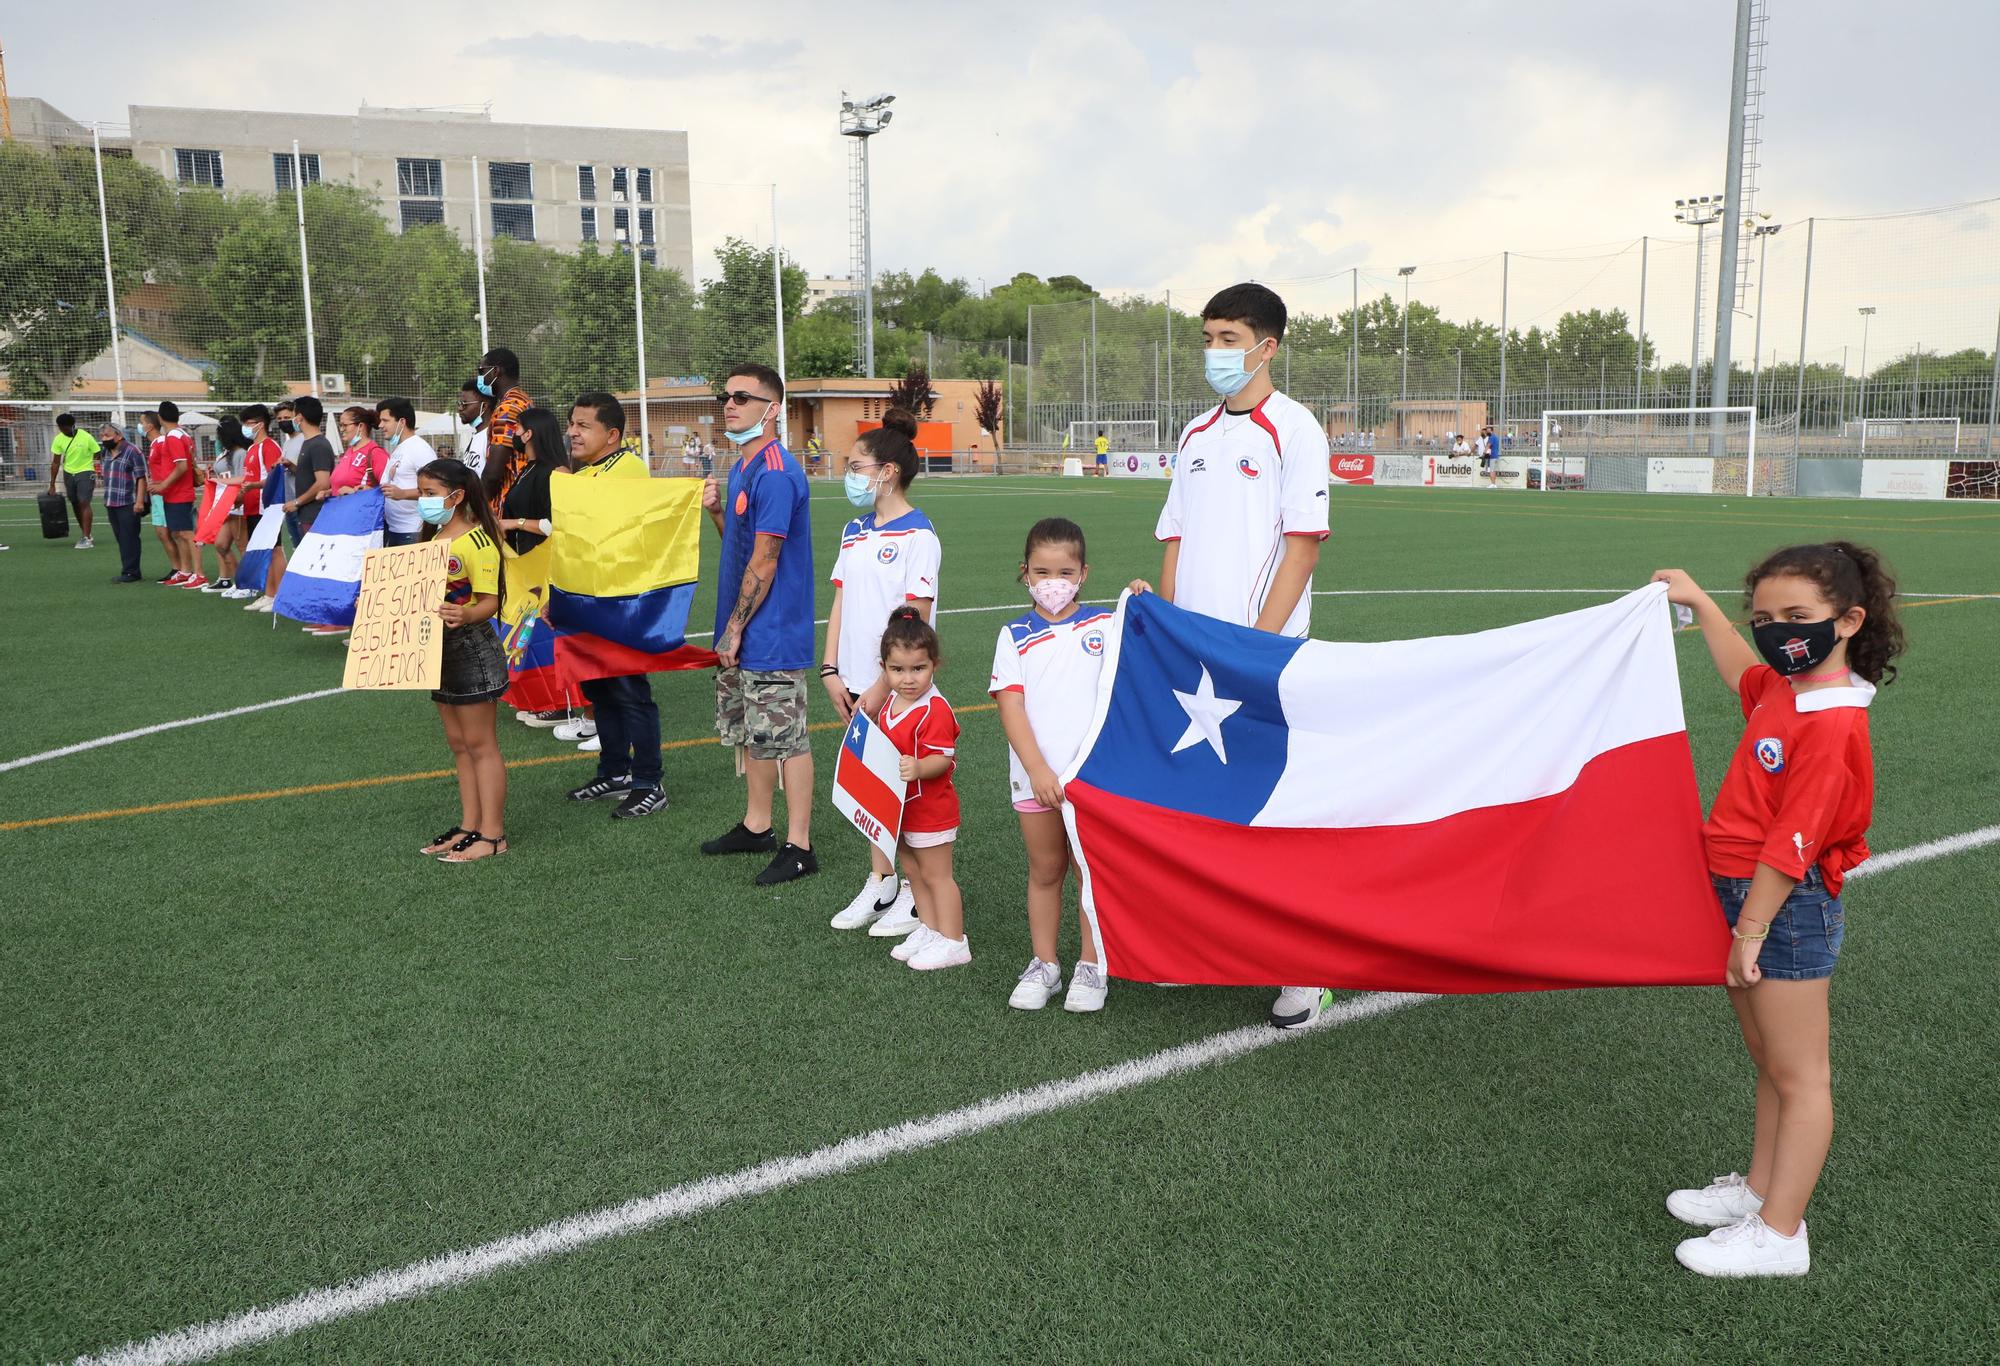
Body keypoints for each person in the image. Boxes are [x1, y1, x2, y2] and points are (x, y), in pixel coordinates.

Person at [1650, 545, 1901, 1278]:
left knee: (1799, 1074)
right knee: (1769, 1061)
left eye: (1798, 618)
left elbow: (1795, 844)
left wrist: (1750, 931)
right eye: (1764, 618)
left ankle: (1782, 1232)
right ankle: (1759, 1191)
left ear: (1848, 621)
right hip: (1740, 892)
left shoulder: (1832, 719)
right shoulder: (1785, 687)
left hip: (1781, 905)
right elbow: (1741, 670)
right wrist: (1698, 599)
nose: (1776, 632)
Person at [1130, 282, 1333, 1030]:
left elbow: (1302, 547)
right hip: (1196, 661)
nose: (1213, 352)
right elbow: (1175, 536)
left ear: (1266, 346)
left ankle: (1303, 970)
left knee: (1275, 807)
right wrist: (1180, 634)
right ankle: (1200, 948)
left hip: (1263, 659)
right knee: (1195, 803)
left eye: (1227, 338)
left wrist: (1257, 648)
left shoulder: (1296, 430)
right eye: (1208, 337)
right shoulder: (1194, 435)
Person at [698, 362, 818, 885]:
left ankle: (800, 846)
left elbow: (767, 561)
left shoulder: (775, 471)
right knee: (752, 733)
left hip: (771, 632)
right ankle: (757, 825)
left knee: (786, 738)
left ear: (772, 409)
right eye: (727, 396)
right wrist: (719, 513)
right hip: (747, 629)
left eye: (743, 397)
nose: (730, 404)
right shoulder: (743, 467)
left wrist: (735, 629)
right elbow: (743, 547)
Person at [823, 408, 939, 935]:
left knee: (903, 790)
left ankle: (914, 893)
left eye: (856, 466)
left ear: (887, 471)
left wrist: (879, 686)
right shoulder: (853, 530)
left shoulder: (920, 536)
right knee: (869, 787)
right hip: (852, 684)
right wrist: (829, 669)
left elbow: (914, 622)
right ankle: (883, 881)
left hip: (894, 689)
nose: (849, 474)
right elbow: (841, 602)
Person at [993, 517, 1112, 1012]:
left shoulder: (1105, 625)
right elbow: (1011, 705)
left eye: (1064, 571)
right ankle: (1045, 964)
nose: (1053, 583)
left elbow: (1147, 649)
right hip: (1034, 779)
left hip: (1091, 780)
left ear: (1083, 572)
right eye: (1041, 572)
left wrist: (1141, 597)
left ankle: (1091, 965)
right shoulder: (1014, 635)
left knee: (1090, 873)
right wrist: (1039, 770)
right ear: (1025, 573)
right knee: (1045, 870)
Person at [557, 392, 668, 819]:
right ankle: (615, 770)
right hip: (587, 599)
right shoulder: (584, 474)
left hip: (623, 601)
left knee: (629, 691)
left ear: (613, 434)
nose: (573, 431)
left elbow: (619, 535)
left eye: (584, 425)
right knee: (600, 688)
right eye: (572, 423)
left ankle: (648, 781)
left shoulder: (627, 468)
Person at [415, 459, 512, 863]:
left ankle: (493, 835)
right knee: (459, 744)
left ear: (457, 496)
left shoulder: (477, 542)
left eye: (430, 495)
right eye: (420, 493)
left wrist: (466, 614)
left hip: (471, 647)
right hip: (438, 650)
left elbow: (489, 601)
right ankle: (469, 826)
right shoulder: (433, 538)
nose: (422, 501)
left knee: (480, 744)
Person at [874, 606, 967, 970]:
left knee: (937, 876)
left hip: (931, 810)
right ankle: (930, 928)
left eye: (918, 669)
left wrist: (919, 767)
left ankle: (954, 939)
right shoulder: (889, 704)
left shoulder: (935, 710)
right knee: (913, 872)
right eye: (897, 670)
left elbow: (943, 759)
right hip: (900, 810)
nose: (908, 679)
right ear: (884, 668)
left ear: (934, 665)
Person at [497, 407, 594, 748]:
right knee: (522, 631)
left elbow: (556, 524)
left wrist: (510, 524)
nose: (512, 434)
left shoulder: (557, 472)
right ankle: (536, 697)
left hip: (543, 563)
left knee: (541, 631)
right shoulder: (529, 469)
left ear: (531, 432)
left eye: (517, 428)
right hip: (523, 564)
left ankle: (558, 702)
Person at [237, 405, 288, 609]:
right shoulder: (251, 449)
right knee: (261, 550)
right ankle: (269, 593)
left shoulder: (269, 446)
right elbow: (248, 477)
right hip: (251, 506)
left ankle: (281, 595)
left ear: (260, 424)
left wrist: (254, 486)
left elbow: (274, 477)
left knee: (275, 550)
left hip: (266, 506)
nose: (245, 428)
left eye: (248, 424)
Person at [153, 401, 203, 588]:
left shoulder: (173, 437)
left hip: (178, 492)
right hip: (176, 491)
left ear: (160, 417)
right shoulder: (182, 434)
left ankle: (198, 574)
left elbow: (182, 466)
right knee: (178, 533)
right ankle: (186, 570)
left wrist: (163, 485)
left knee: (187, 534)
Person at [374, 399, 436, 548]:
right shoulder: (399, 449)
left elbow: (436, 489)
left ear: (402, 422)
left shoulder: (420, 448)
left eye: (385, 420)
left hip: (414, 531)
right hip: (395, 530)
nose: (380, 425)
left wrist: (403, 494)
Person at [474, 347, 533, 501]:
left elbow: (493, 472)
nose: (480, 378)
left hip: (506, 500)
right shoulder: (523, 399)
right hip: (523, 494)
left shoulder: (507, 408)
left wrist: (479, 509)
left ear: (495, 371)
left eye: (482, 371)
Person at [199, 416, 249, 594]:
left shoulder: (240, 453)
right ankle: (239, 581)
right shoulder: (227, 453)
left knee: (242, 544)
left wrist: (235, 498)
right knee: (221, 544)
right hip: (225, 503)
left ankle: (249, 584)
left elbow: (241, 478)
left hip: (236, 503)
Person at [98, 422, 148, 583]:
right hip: (111, 501)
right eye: (102, 436)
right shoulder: (104, 452)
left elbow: (141, 477)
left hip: (128, 502)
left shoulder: (133, 451)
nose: (103, 439)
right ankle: (129, 569)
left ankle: (131, 572)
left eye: (107, 435)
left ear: (119, 436)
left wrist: (140, 501)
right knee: (121, 537)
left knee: (130, 537)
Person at [49, 413, 101, 550]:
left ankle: (86, 537)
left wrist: (93, 466)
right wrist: (52, 484)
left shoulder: (86, 436)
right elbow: (55, 462)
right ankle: (86, 533)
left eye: (66, 428)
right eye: (61, 428)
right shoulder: (58, 440)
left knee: (84, 501)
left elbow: (97, 451)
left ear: (73, 426)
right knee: (75, 503)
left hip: (85, 472)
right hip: (68, 473)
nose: (64, 431)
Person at [140, 411, 174, 582]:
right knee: (162, 533)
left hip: (164, 493)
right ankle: (176, 568)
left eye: (142, 423)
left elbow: (172, 467)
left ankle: (182, 568)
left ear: (150, 425)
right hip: (156, 493)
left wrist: (161, 483)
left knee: (170, 533)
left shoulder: (162, 442)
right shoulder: (154, 444)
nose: (141, 426)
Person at [330, 406, 390, 498]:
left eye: (345, 425)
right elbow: (343, 484)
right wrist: (329, 492)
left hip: (361, 510)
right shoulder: (349, 451)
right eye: (340, 425)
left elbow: (389, 490)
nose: (341, 429)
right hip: (341, 509)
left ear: (360, 426)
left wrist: (354, 492)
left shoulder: (376, 453)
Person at [457, 379, 492, 481]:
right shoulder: (477, 435)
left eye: (465, 404)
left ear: (484, 406)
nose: (460, 408)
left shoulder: (491, 436)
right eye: (459, 403)